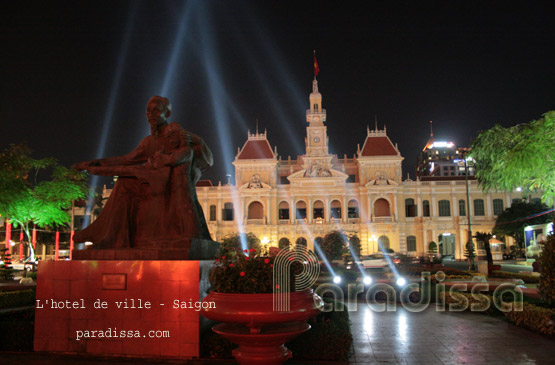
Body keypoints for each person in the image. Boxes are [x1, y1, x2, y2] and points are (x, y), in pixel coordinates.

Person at [73, 96, 213, 249]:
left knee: (125, 183)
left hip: (172, 188)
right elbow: (127, 160)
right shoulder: (148, 142)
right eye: (148, 111)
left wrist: (196, 140)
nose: (151, 115)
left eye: (156, 110)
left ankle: (108, 237)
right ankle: (112, 238)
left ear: (167, 114)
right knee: (124, 182)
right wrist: (97, 163)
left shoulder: (177, 134)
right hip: (154, 185)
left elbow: (208, 160)